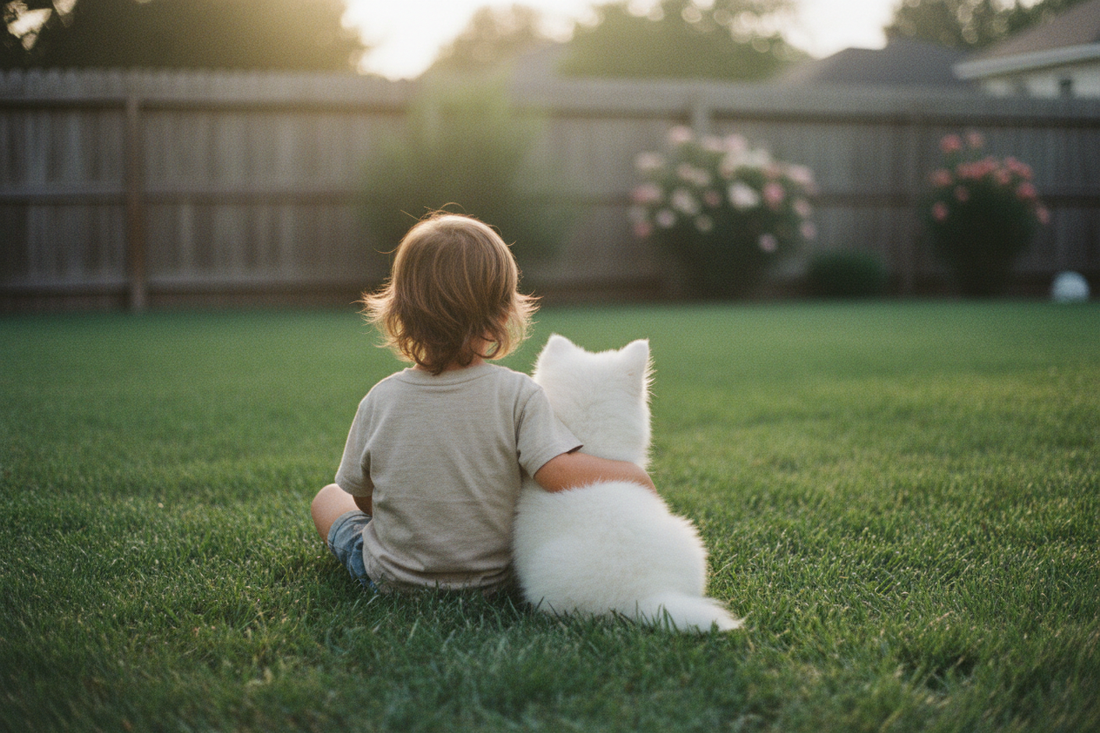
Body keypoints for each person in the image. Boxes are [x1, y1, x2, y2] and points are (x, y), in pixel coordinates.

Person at [311, 212, 654, 593]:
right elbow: (557, 473)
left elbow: (362, 497)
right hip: (497, 580)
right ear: (503, 315)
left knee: (329, 497)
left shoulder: (379, 400)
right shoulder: (518, 395)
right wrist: (633, 475)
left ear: (400, 313)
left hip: (395, 579)